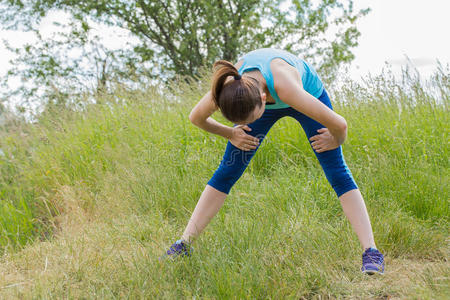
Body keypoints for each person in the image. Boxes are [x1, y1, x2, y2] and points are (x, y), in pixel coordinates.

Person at [160, 48, 385, 275]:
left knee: (336, 170)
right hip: (254, 99)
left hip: (304, 94)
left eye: (247, 121)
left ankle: (371, 251)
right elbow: (196, 117)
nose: (244, 125)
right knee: (228, 170)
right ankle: (183, 245)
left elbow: (341, 125)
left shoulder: (286, 88)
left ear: (263, 100)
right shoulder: (230, 88)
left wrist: (335, 139)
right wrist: (231, 133)